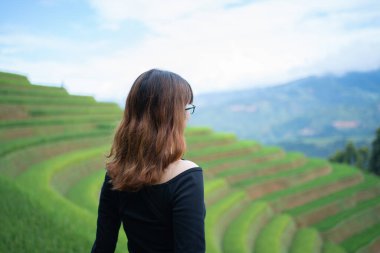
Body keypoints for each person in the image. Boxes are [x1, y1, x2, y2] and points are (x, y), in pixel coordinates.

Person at [91, 69, 206, 253]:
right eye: (185, 108)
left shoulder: (116, 173)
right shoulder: (187, 176)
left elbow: (103, 246)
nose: (188, 115)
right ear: (170, 116)